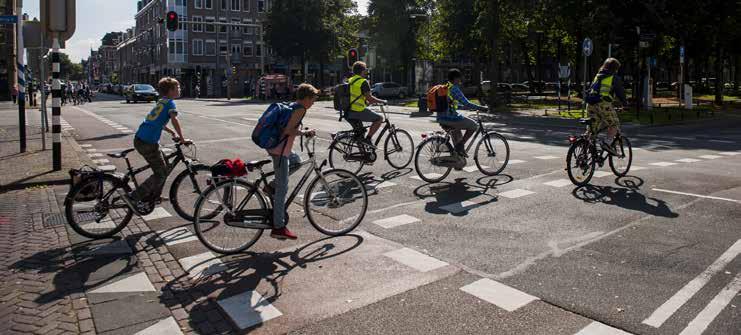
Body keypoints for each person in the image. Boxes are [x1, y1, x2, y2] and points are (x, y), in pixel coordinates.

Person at [126, 77, 190, 209]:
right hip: (147, 142)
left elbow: (157, 121)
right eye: (177, 87)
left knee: (165, 167)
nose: (179, 89)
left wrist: (172, 133)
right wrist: (182, 138)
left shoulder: (162, 101)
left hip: (142, 138)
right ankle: (135, 196)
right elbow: (174, 120)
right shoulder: (170, 103)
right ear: (171, 90)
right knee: (160, 173)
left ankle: (155, 196)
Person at [266, 83, 319, 240]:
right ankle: (278, 227)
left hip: (280, 147)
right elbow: (288, 131)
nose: (314, 102)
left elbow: (287, 127)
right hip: (280, 150)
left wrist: (301, 130)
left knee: (296, 161)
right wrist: (304, 132)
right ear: (307, 98)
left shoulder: (293, 105)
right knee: (283, 189)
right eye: (313, 99)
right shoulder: (300, 109)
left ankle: (271, 185)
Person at [439, 69, 488, 159]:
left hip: (442, 118)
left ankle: (458, 161)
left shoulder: (446, 87)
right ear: (455, 78)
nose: (460, 80)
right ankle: (460, 147)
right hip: (450, 118)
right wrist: (482, 108)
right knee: (474, 125)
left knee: (458, 136)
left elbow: (452, 104)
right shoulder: (454, 88)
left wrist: (462, 107)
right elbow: (467, 103)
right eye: (459, 78)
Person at [586, 58, 627, 155]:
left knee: (593, 128)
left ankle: (585, 149)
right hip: (603, 105)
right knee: (614, 124)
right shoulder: (613, 77)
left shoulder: (598, 76)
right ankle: (607, 143)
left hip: (590, 104)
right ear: (615, 68)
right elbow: (620, 92)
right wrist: (625, 104)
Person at [345, 61, 387, 145]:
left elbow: (355, 96)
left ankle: (363, 155)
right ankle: (368, 139)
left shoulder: (350, 80)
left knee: (360, 134)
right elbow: (370, 98)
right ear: (362, 71)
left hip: (348, 112)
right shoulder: (363, 82)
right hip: (357, 111)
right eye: (365, 70)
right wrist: (382, 101)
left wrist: (366, 103)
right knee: (379, 118)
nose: (366, 72)